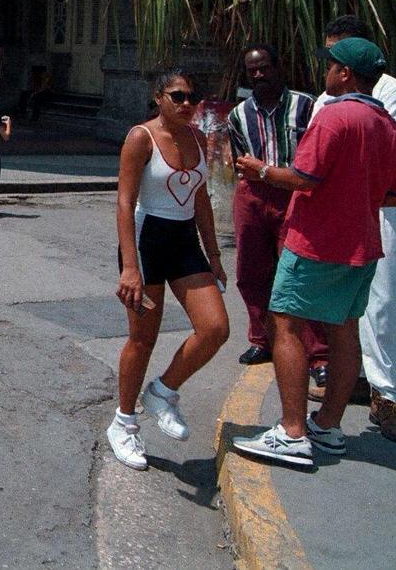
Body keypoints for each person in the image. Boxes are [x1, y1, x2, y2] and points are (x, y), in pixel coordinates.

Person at [233, 38, 396, 463]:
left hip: (317, 240)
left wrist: (260, 169)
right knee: (344, 329)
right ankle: (328, 426)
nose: (324, 72)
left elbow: (303, 177)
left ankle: (292, 432)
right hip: (362, 243)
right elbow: (391, 193)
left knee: (285, 323)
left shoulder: (334, 116)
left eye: (330, 66)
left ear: (344, 73)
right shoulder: (384, 123)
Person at [108, 69, 229, 471]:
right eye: (177, 96)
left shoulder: (197, 137)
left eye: (193, 97)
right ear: (158, 97)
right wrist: (130, 267)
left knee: (215, 328)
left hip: (184, 243)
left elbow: (200, 201)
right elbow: (125, 202)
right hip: (146, 243)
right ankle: (124, 423)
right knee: (142, 338)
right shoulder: (140, 137)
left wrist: (213, 255)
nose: (187, 104)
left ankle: (163, 391)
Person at [309, 17, 396, 430]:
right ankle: (359, 379)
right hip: (337, 218)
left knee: (381, 303)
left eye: (335, 55)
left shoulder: (390, 93)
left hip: (382, 214)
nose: (329, 65)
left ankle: (387, 395)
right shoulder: (324, 101)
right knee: (349, 309)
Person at [225, 45, 321, 370]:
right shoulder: (238, 114)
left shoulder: (304, 106)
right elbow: (239, 160)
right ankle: (260, 340)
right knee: (250, 272)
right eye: (253, 71)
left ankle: (318, 354)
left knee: (298, 272)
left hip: (293, 195)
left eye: (264, 68)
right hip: (252, 195)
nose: (259, 75)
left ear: (278, 66)